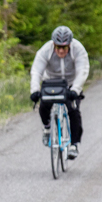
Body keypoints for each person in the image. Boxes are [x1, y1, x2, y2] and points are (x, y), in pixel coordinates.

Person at [29, 25, 89, 160]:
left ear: (69, 45)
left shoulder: (78, 49)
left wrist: (75, 90)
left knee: (73, 110)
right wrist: (35, 90)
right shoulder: (45, 50)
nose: (61, 51)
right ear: (54, 44)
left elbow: (83, 70)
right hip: (51, 82)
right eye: (58, 47)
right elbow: (36, 71)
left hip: (71, 84)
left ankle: (74, 144)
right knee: (43, 106)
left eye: (64, 47)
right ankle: (47, 127)